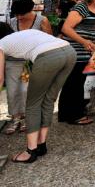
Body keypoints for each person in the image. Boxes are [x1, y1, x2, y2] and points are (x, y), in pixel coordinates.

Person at [0, 24, 76, 163]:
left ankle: (31, 151)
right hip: (69, 52)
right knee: (48, 99)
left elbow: (0, 78)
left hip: (48, 58)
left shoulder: (1, 43)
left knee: (33, 104)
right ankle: (41, 145)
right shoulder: (25, 33)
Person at [4, 0, 53, 135]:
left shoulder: (41, 20)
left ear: (30, 11)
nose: (19, 17)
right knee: (12, 91)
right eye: (17, 14)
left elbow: (48, 40)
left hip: (32, 61)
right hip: (12, 61)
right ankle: (15, 118)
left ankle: (26, 117)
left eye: (22, 14)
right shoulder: (12, 22)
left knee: (27, 90)